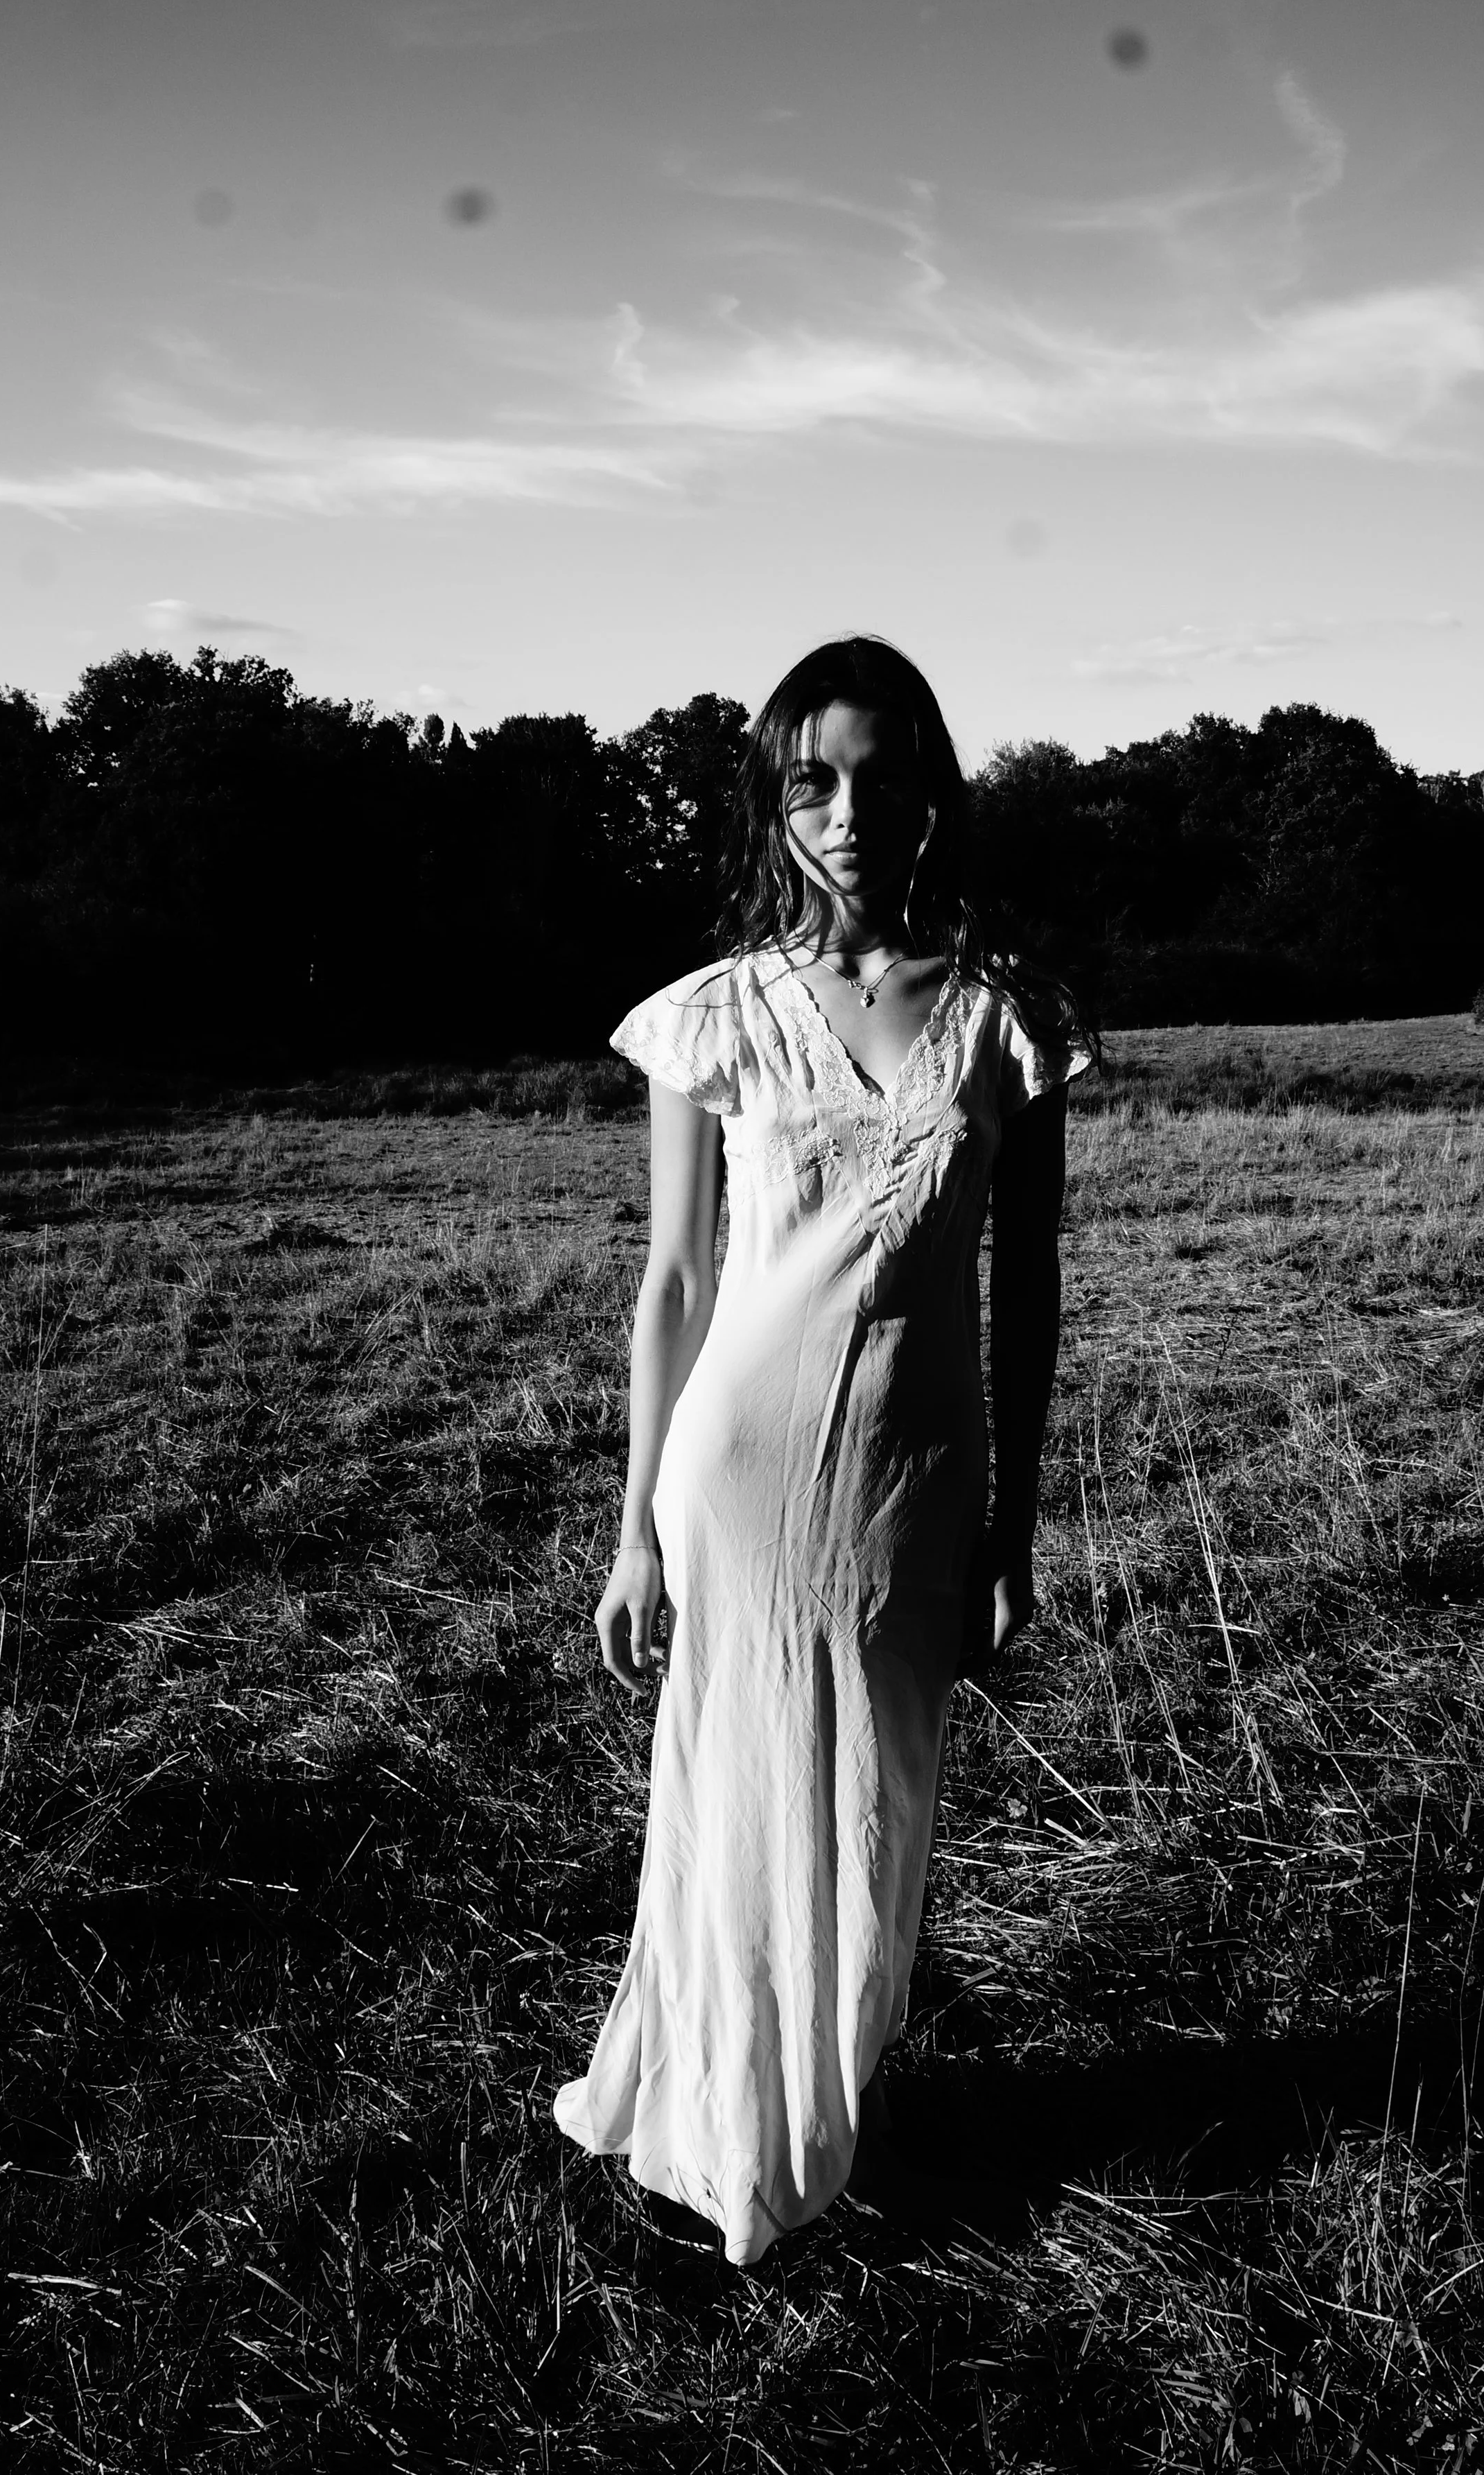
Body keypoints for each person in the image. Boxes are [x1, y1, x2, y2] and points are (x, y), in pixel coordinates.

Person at [553, 635, 1089, 2264]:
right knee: (727, 1799)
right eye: (812, 781)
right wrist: (637, 1531)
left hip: (907, 1492)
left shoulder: (1010, 1023)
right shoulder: (711, 1017)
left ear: (931, 791)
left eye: (877, 777)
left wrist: (1009, 1531)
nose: (846, 813)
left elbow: (1027, 1296)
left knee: (872, 1815)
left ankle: (814, 2119)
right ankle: (723, 2139)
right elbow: (671, 1283)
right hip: (729, 1477)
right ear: (777, 804)